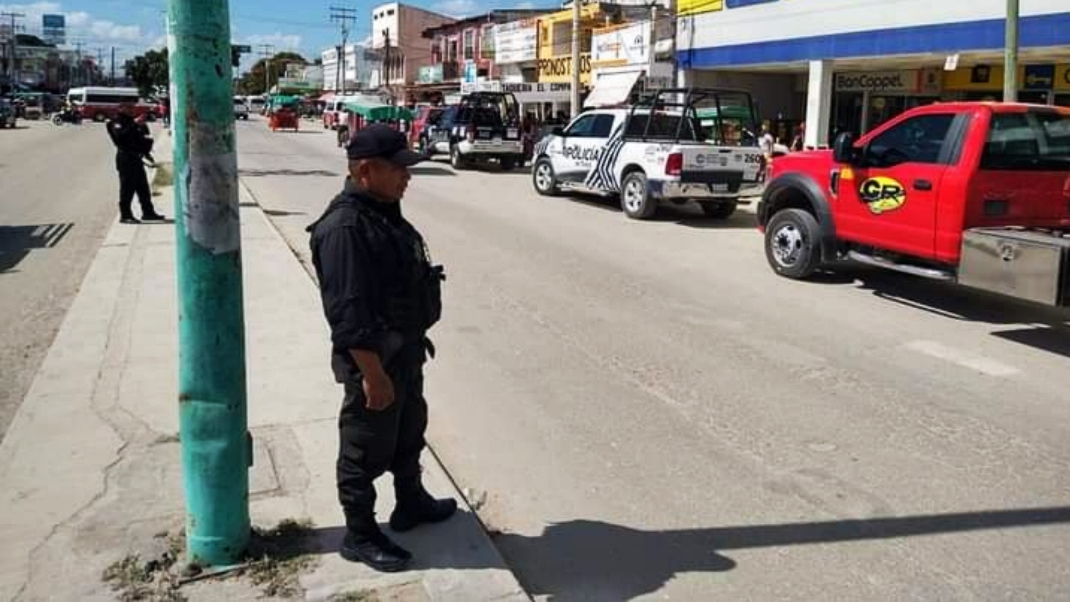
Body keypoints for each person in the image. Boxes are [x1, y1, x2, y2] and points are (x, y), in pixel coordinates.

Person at [307, 124, 455, 573]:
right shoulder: (344, 229)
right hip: (374, 362)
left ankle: (410, 501)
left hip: (404, 351)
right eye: (398, 169)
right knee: (363, 446)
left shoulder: (383, 210)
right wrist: (373, 376)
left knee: (410, 429)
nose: (407, 177)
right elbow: (348, 317)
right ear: (366, 170)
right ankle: (360, 533)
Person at [106, 105, 165, 224]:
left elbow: (142, 137)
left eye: (132, 107)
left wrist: (147, 152)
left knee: (143, 188)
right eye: (128, 107)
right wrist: (134, 124)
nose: (131, 109)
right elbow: (120, 138)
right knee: (127, 189)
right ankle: (125, 215)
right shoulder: (115, 122)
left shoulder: (133, 120)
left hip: (137, 157)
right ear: (121, 108)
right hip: (126, 158)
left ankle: (148, 212)